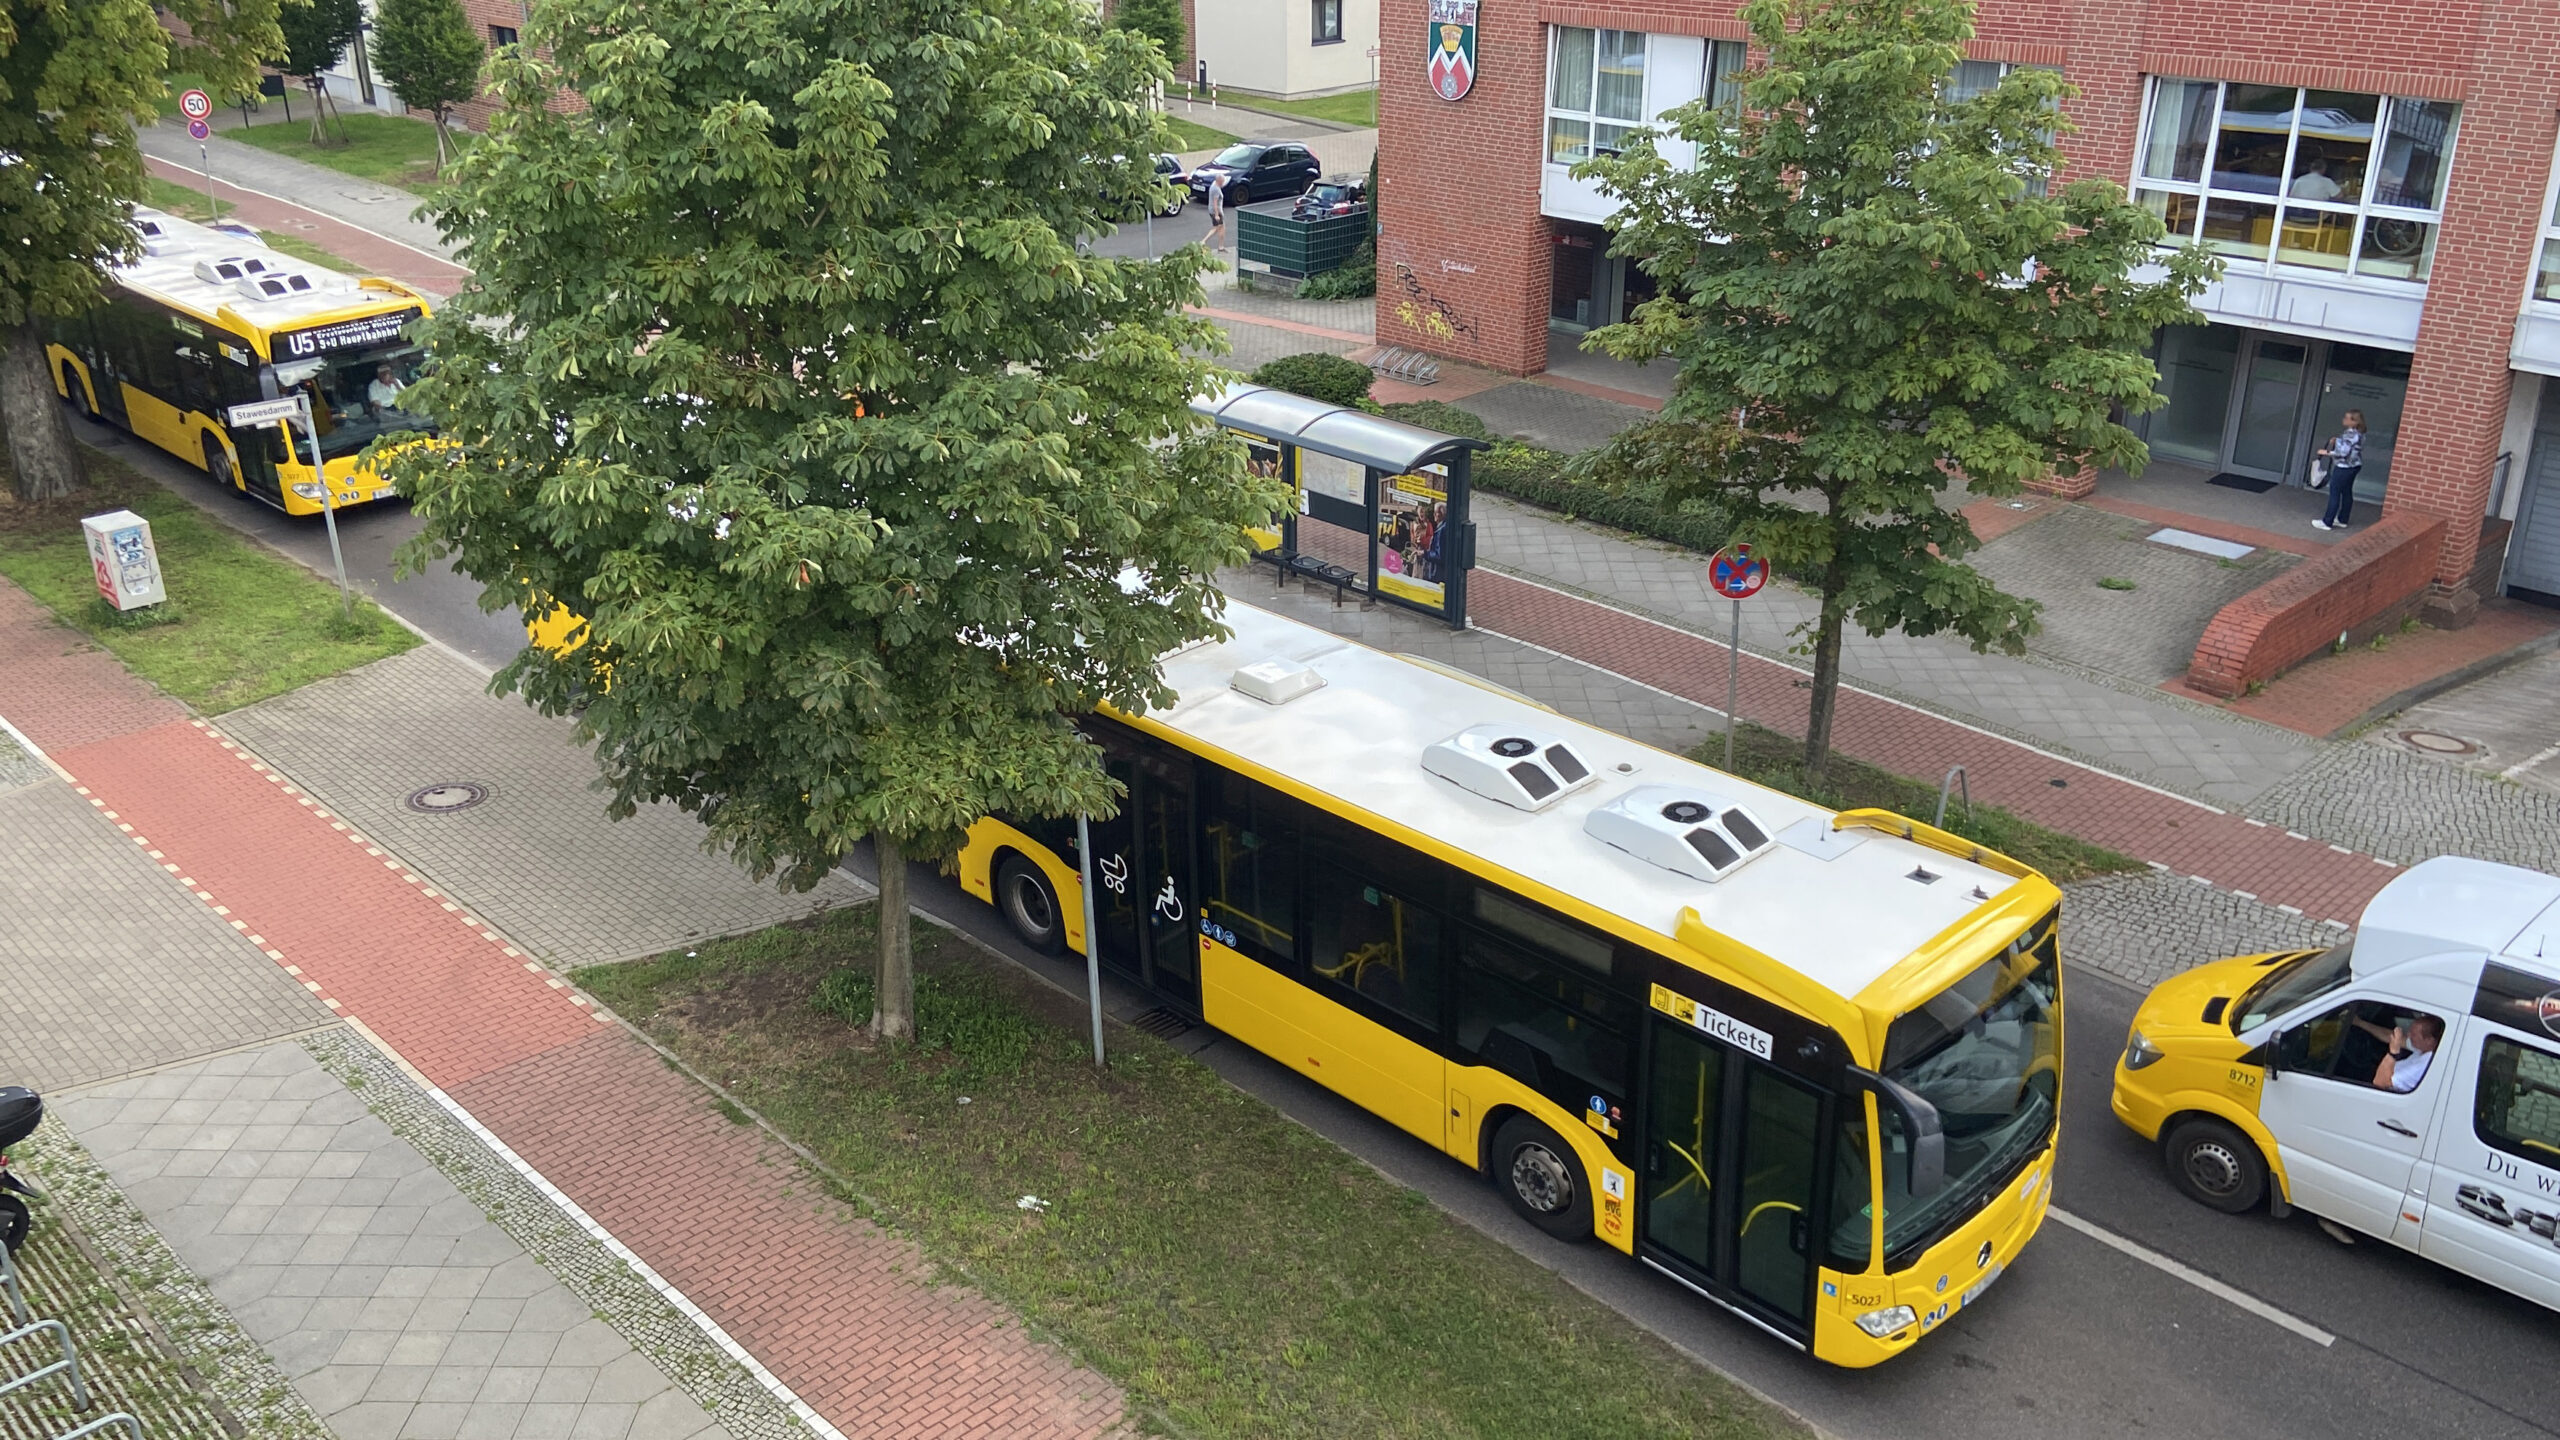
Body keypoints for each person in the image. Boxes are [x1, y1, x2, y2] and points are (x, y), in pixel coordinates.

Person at [2350, 1012, 2442, 1093]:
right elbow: (2387, 1035)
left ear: (2429, 1040)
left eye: (2413, 1034)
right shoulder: (2423, 1048)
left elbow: (2380, 1083)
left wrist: (2393, 1053)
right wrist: (2359, 1023)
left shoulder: (2421, 1068)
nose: (2409, 1035)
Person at [2313, 410, 2366, 531]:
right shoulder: (2360, 433)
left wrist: (2326, 452)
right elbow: (2352, 447)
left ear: (2354, 421)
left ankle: (2327, 521)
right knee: (2347, 492)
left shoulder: (2349, 434)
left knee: (2335, 493)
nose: (2344, 419)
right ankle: (2343, 519)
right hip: (2355, 465)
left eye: (2347, 418)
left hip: (2344, 467)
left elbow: (2343, 452)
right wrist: (2338, 440)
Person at [1206, 174, 1227, 250]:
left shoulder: (1214, 184)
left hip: (1214, 210)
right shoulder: (1216, 190)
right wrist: (1217, 215)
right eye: (1223, 181)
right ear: (1219, 181)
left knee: (1222, 227)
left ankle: (1221, 246)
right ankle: (1203, 241)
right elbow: (1215, 203)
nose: (1223, 182)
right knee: (1217, 228)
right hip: (1216, 211)